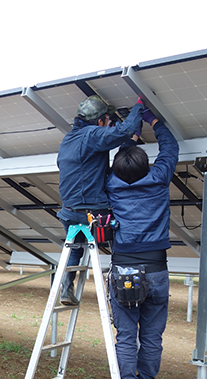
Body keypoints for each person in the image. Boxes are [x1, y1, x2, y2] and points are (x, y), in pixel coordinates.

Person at [106, 112, 179, 379]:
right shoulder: (159, 178)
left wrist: (129, 133)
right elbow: (170, 148)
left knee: (126, 335)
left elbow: (116, 164)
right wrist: (154, 121)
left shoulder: (111, 184)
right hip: (157, 268)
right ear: (147, 165)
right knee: (152, 335)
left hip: (123, 267)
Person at [57, 95, 144, 304]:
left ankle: (66, 289)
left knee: (75, 249)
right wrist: (139, 107)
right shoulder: (93, 135)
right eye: (106, 119)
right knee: (121, 239)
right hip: (92, 212)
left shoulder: (69, 138)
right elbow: (123, 133)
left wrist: (112, 129)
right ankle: (125, 287)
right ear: (99, 122)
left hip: (69, 210)